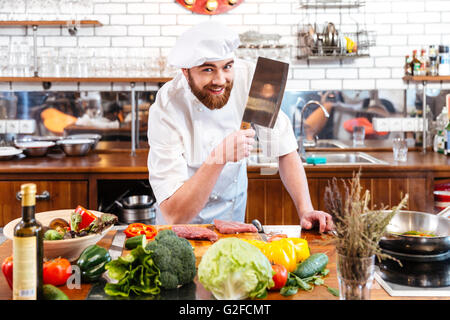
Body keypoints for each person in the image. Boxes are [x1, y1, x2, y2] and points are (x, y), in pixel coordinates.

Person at [147, 21, 334, 232]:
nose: (220, 80)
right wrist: (219, 157)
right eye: (208, 69)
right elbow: (175, 213)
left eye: (227, 66)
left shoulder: (256, 79)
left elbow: (284, 149)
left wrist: (305, 209)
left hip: (232, 223)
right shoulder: (166, 107)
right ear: (185, 71)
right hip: (180, 230)